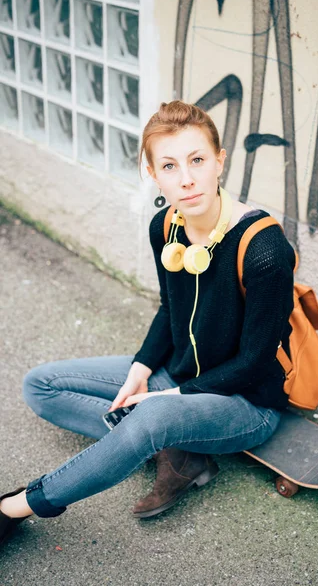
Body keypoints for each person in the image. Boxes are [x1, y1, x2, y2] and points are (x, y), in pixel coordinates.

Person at [0, 101, 295, 544]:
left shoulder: (264, 248)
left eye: (197, 160)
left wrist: (167, 400)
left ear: (219, 161)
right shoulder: (166, 227)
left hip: (245, 402)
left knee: (151, 418)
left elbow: (254, 362)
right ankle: (166, 449)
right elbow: (168, 309)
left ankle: (17, 506)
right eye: (170, 165)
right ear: (153, 173)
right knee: (39, 385)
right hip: (174, 374)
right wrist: (139, 374)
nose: (187, 178)